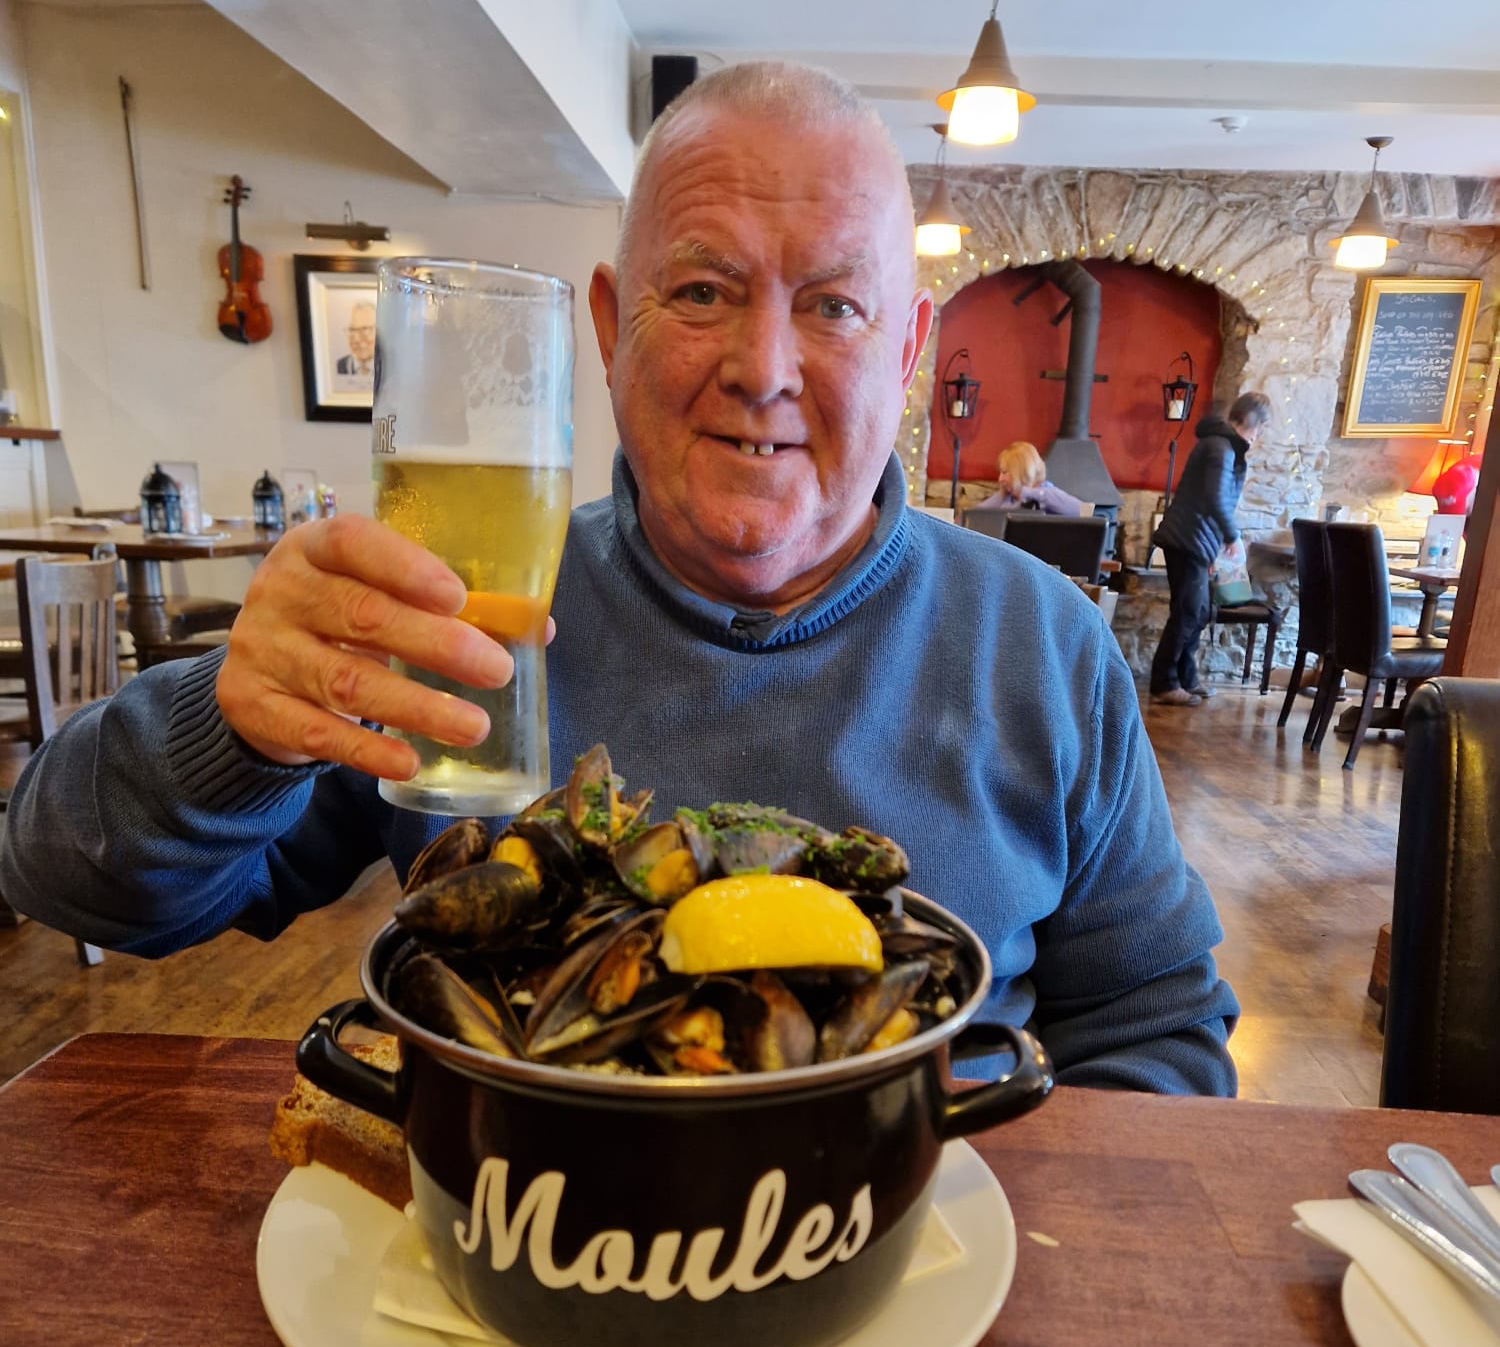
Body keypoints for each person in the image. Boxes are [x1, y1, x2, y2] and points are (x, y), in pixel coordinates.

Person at [0, 63, 1238, 1095]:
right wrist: (235, 724)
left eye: (835, 306)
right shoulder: (448, 618)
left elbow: (1157, 1024)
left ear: (910, 349)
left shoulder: (1042, 640)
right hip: (515, 1252)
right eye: (701, 291)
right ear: (608, 326)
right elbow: (67, 876)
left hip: (916, 1256)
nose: (764, 367)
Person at [1148, 393, 1271, 707]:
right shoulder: (1222, 447)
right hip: (1187, 540)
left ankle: (1186, 677)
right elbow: (1216, 496)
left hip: (1194, 541)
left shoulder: (1221, 445)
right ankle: (1164, 683)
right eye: (1261, 426)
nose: (1259, 434)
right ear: (1250, 422)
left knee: (1199, 612)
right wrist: (1233, 537)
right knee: (1188, 613)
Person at [970, 441, 1084, 517]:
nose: (1000, 479)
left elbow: (1085, 513)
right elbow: (973, 515)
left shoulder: (1047, 494)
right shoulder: (1006, 496)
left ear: (1021, 471)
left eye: (1005, 472)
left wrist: (1025, 492)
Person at [335, 299, 376, 379]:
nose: (357, 339)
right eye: (352, 330)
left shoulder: (391, 366)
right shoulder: (338, 366)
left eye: (365, 330)